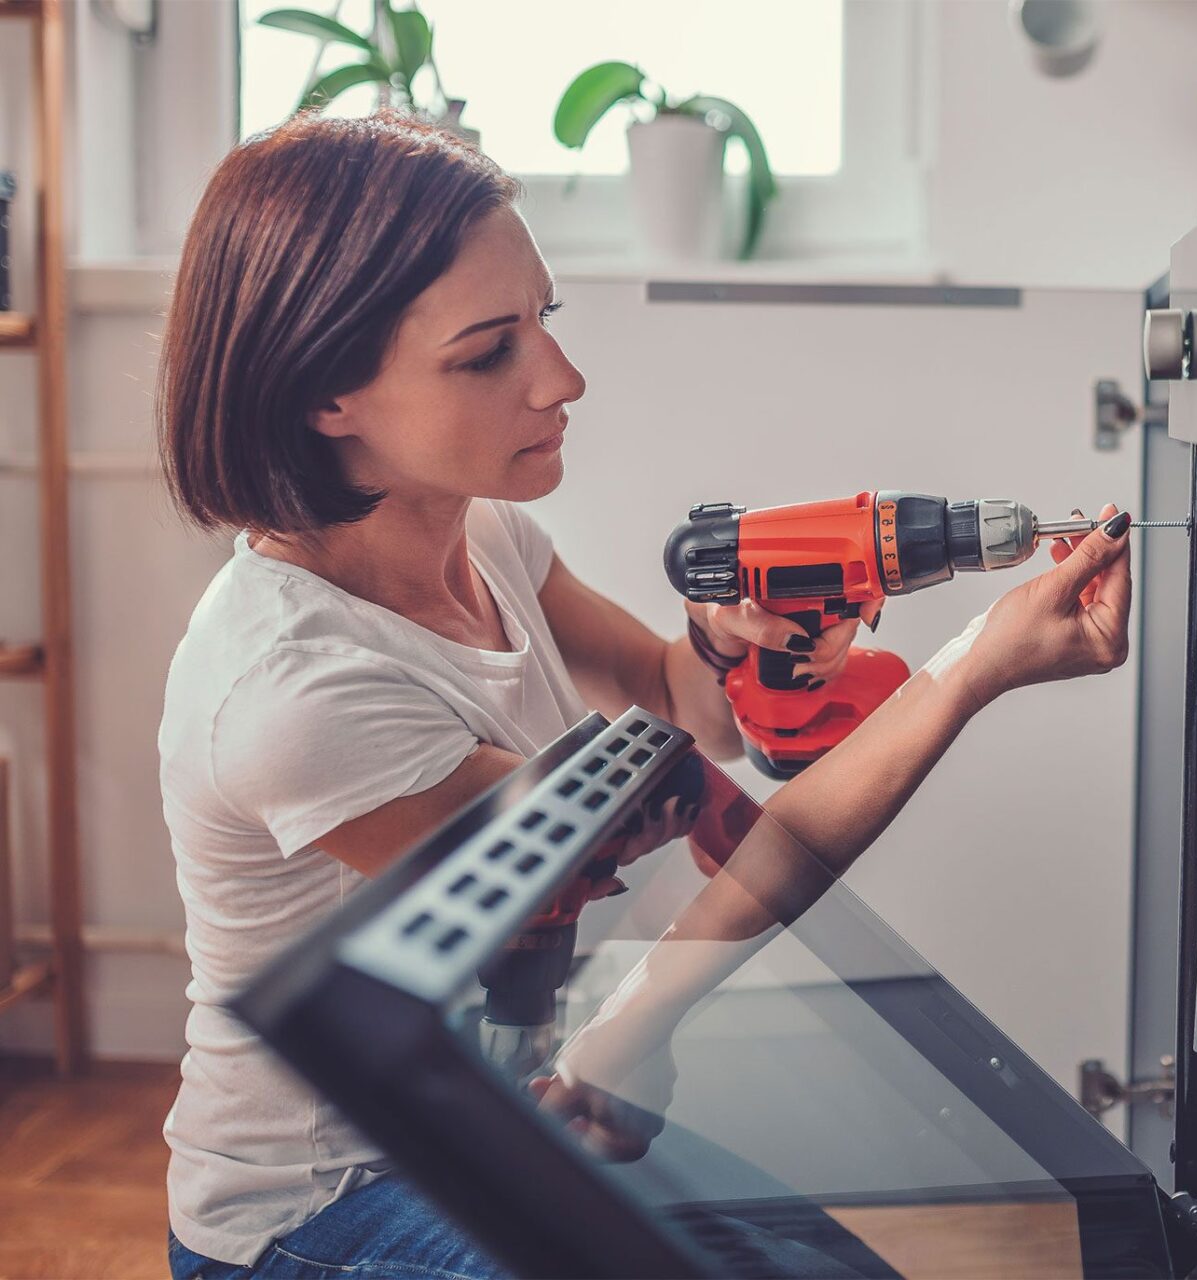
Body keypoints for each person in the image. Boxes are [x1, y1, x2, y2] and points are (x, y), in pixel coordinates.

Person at [155, 111, 1133, 1280]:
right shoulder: (300, 694)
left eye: (544, 322)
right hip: (331, 1206)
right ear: (328, 392)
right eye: (488, 353)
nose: (561, 380)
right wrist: (974, 665)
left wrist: (721, 640)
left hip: (501, 1102)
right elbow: (708, 876)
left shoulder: (489, 535)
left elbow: (687, 709)